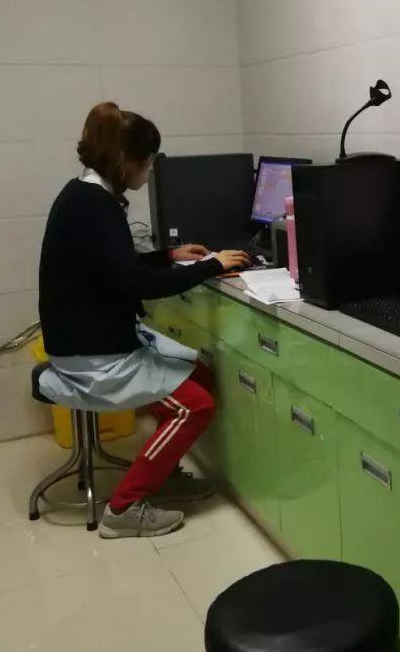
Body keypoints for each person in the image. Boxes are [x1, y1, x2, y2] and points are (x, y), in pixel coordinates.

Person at [38, 102, 250, 539]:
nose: (150, 172)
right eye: (148, 163)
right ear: (126, 161)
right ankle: (123, 509)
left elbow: (113, 266)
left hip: (92, 340)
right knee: (197, 405)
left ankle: (161, 474)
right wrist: (211, 266)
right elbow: (134, 283)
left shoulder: (85, 194)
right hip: (93, 356)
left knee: (200, 375)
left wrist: (169, 256)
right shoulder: (94, 205)